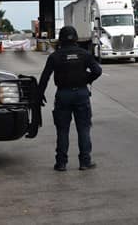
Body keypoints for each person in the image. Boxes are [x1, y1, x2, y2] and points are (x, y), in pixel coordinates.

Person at [37, 26, 102, 172]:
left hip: (63, 95)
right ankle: (85, 162)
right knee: (84, 129)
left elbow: (45, 77)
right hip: (81, 93)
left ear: (60, 39)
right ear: (76, 38)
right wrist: (87, 79)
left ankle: (61, 163)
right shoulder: (84, 54)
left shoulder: (55, 56)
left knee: (62, 130)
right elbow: (97, 71)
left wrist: (39, 95)